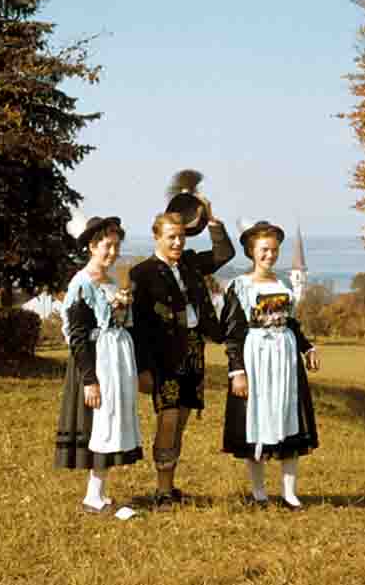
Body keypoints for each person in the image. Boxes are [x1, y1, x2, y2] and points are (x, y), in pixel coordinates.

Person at [130, 203, 235, 508]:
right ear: (156, 237)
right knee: (168, 419)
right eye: (171, 237)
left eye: (181, 237)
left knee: (182, 420)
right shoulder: (143, 272)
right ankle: (162, 491)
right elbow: (139, 326)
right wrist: (143, 369)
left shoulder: (189, 263)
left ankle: (170, 486)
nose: (177, 243)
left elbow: (224, 254)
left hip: (193, 349)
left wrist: (213, 222)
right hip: (163, 355)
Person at [221, 221, 319, 510]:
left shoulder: (284, 285)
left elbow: (292, 323)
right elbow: (233, 332)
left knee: (288, 414)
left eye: (274, 249)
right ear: (252, 251)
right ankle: (259, 490)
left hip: (285, 358)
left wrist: (307, 346)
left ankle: (289, 491)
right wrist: (237, 371)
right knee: (257, 417)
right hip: (256, 358)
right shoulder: (240, 286)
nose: (270, 255)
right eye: (264, 249)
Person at [54, 217, 143, 513]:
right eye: (107, 246)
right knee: (98, 425)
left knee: (111, 421)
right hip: (95, 362)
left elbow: (120, 322)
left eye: (117, 246)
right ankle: (92, 495)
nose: (113, 252)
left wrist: (122, 307)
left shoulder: (112, 281)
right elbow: (78, 335)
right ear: (92, 246)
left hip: (116, 361)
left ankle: (100, 492)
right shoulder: (81, 284)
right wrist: (89, 379)